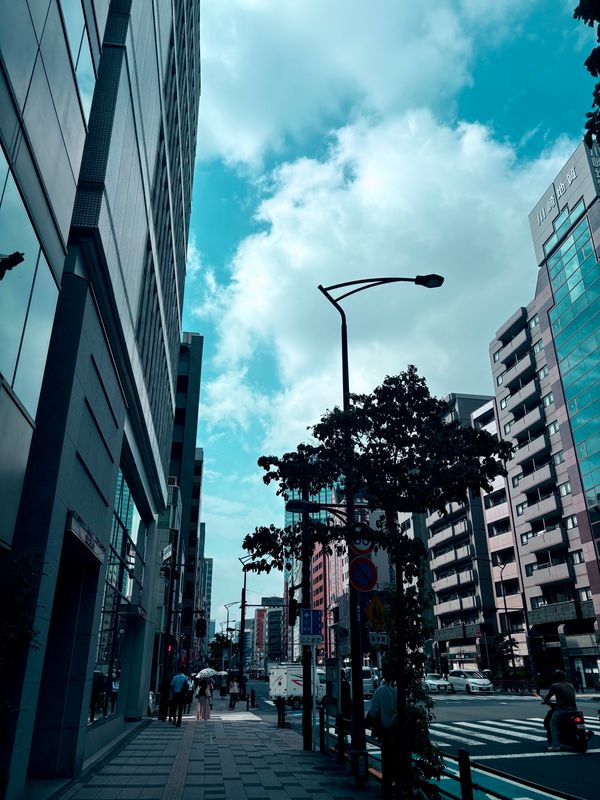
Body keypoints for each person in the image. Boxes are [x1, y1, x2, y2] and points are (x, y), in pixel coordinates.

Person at [366, 671, 397, 799]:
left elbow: (373, 711)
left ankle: (387, 788)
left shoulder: (380, 691)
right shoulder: (399, 691)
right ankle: (397, 786)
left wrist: (366, 722)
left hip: (384, 730)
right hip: (397, 730)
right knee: (397, 758)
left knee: (386, 758)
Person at [542, 669, 577, 751]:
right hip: (574, 709)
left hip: (562, 709)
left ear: (555, 678)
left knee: (553, 725)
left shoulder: (555, 686)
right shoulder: (570, 685)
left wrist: (545, 701)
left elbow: (548, 696)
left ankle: (556, 745)